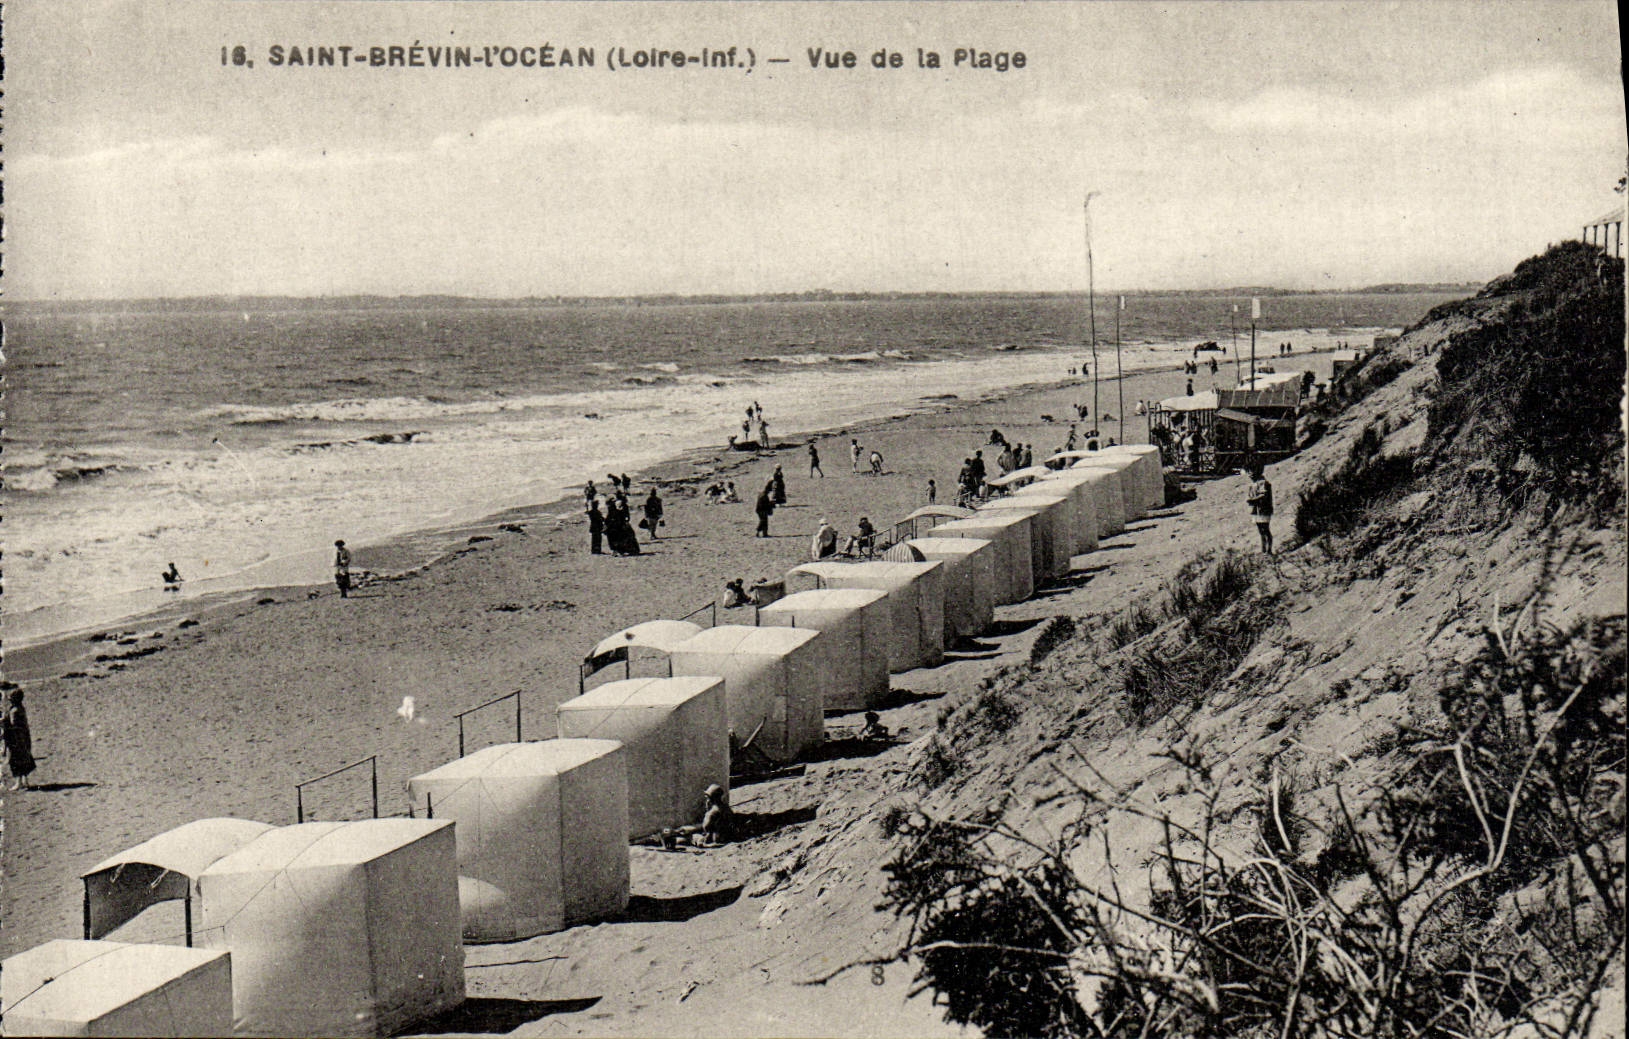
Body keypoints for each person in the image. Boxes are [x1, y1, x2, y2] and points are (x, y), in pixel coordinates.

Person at [2, 685, 37, 792]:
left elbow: (13, 725)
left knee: (15, 761)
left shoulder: (14, 711)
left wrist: (4, 723)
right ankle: (25, 781)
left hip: (15, 739)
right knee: (25, 758)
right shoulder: (21, 708)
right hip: (24, 738)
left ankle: (18, 783)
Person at [1247, 465, 1274, 554]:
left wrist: (1253, 500)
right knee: (1261, 531)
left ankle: (1269, 550)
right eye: (1248, 472)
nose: (1249, 475)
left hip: (1264, 509)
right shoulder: (1252, 484)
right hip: (1256, 510)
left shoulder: (1263, 482)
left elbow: (1263, 495)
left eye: (1251, 472)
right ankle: (1264, 550)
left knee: (1265, 529)